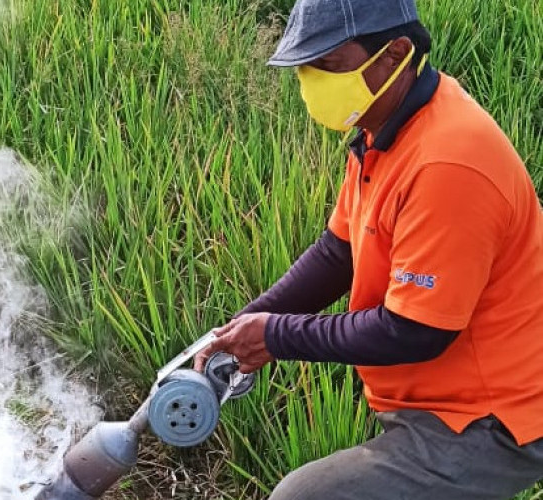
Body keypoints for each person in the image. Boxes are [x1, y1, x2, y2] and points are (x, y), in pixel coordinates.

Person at [193, 0, 543, 498]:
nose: (312, 82)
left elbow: (415, 331)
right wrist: (244, 324)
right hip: (436, 392)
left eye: (329, 65)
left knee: (305, 497)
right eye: (306, 68)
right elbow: (339, 252)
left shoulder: (449, 163)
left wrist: (277, 335)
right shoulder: (386, 127)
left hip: (492, 416)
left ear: (395, 53)